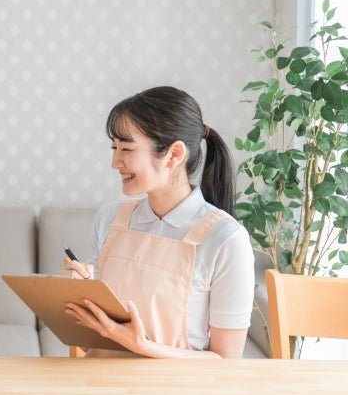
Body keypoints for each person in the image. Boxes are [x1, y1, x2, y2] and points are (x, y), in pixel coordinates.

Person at [60, 86, 254, 359]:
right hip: (101, 389)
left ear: (174, 154)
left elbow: (225, 362)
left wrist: (143, 346)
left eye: (126, 148)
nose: (115, 162)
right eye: (114, 147)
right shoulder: (109, 218)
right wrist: (76, 297)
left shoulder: (225, 239)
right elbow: (91, 345)